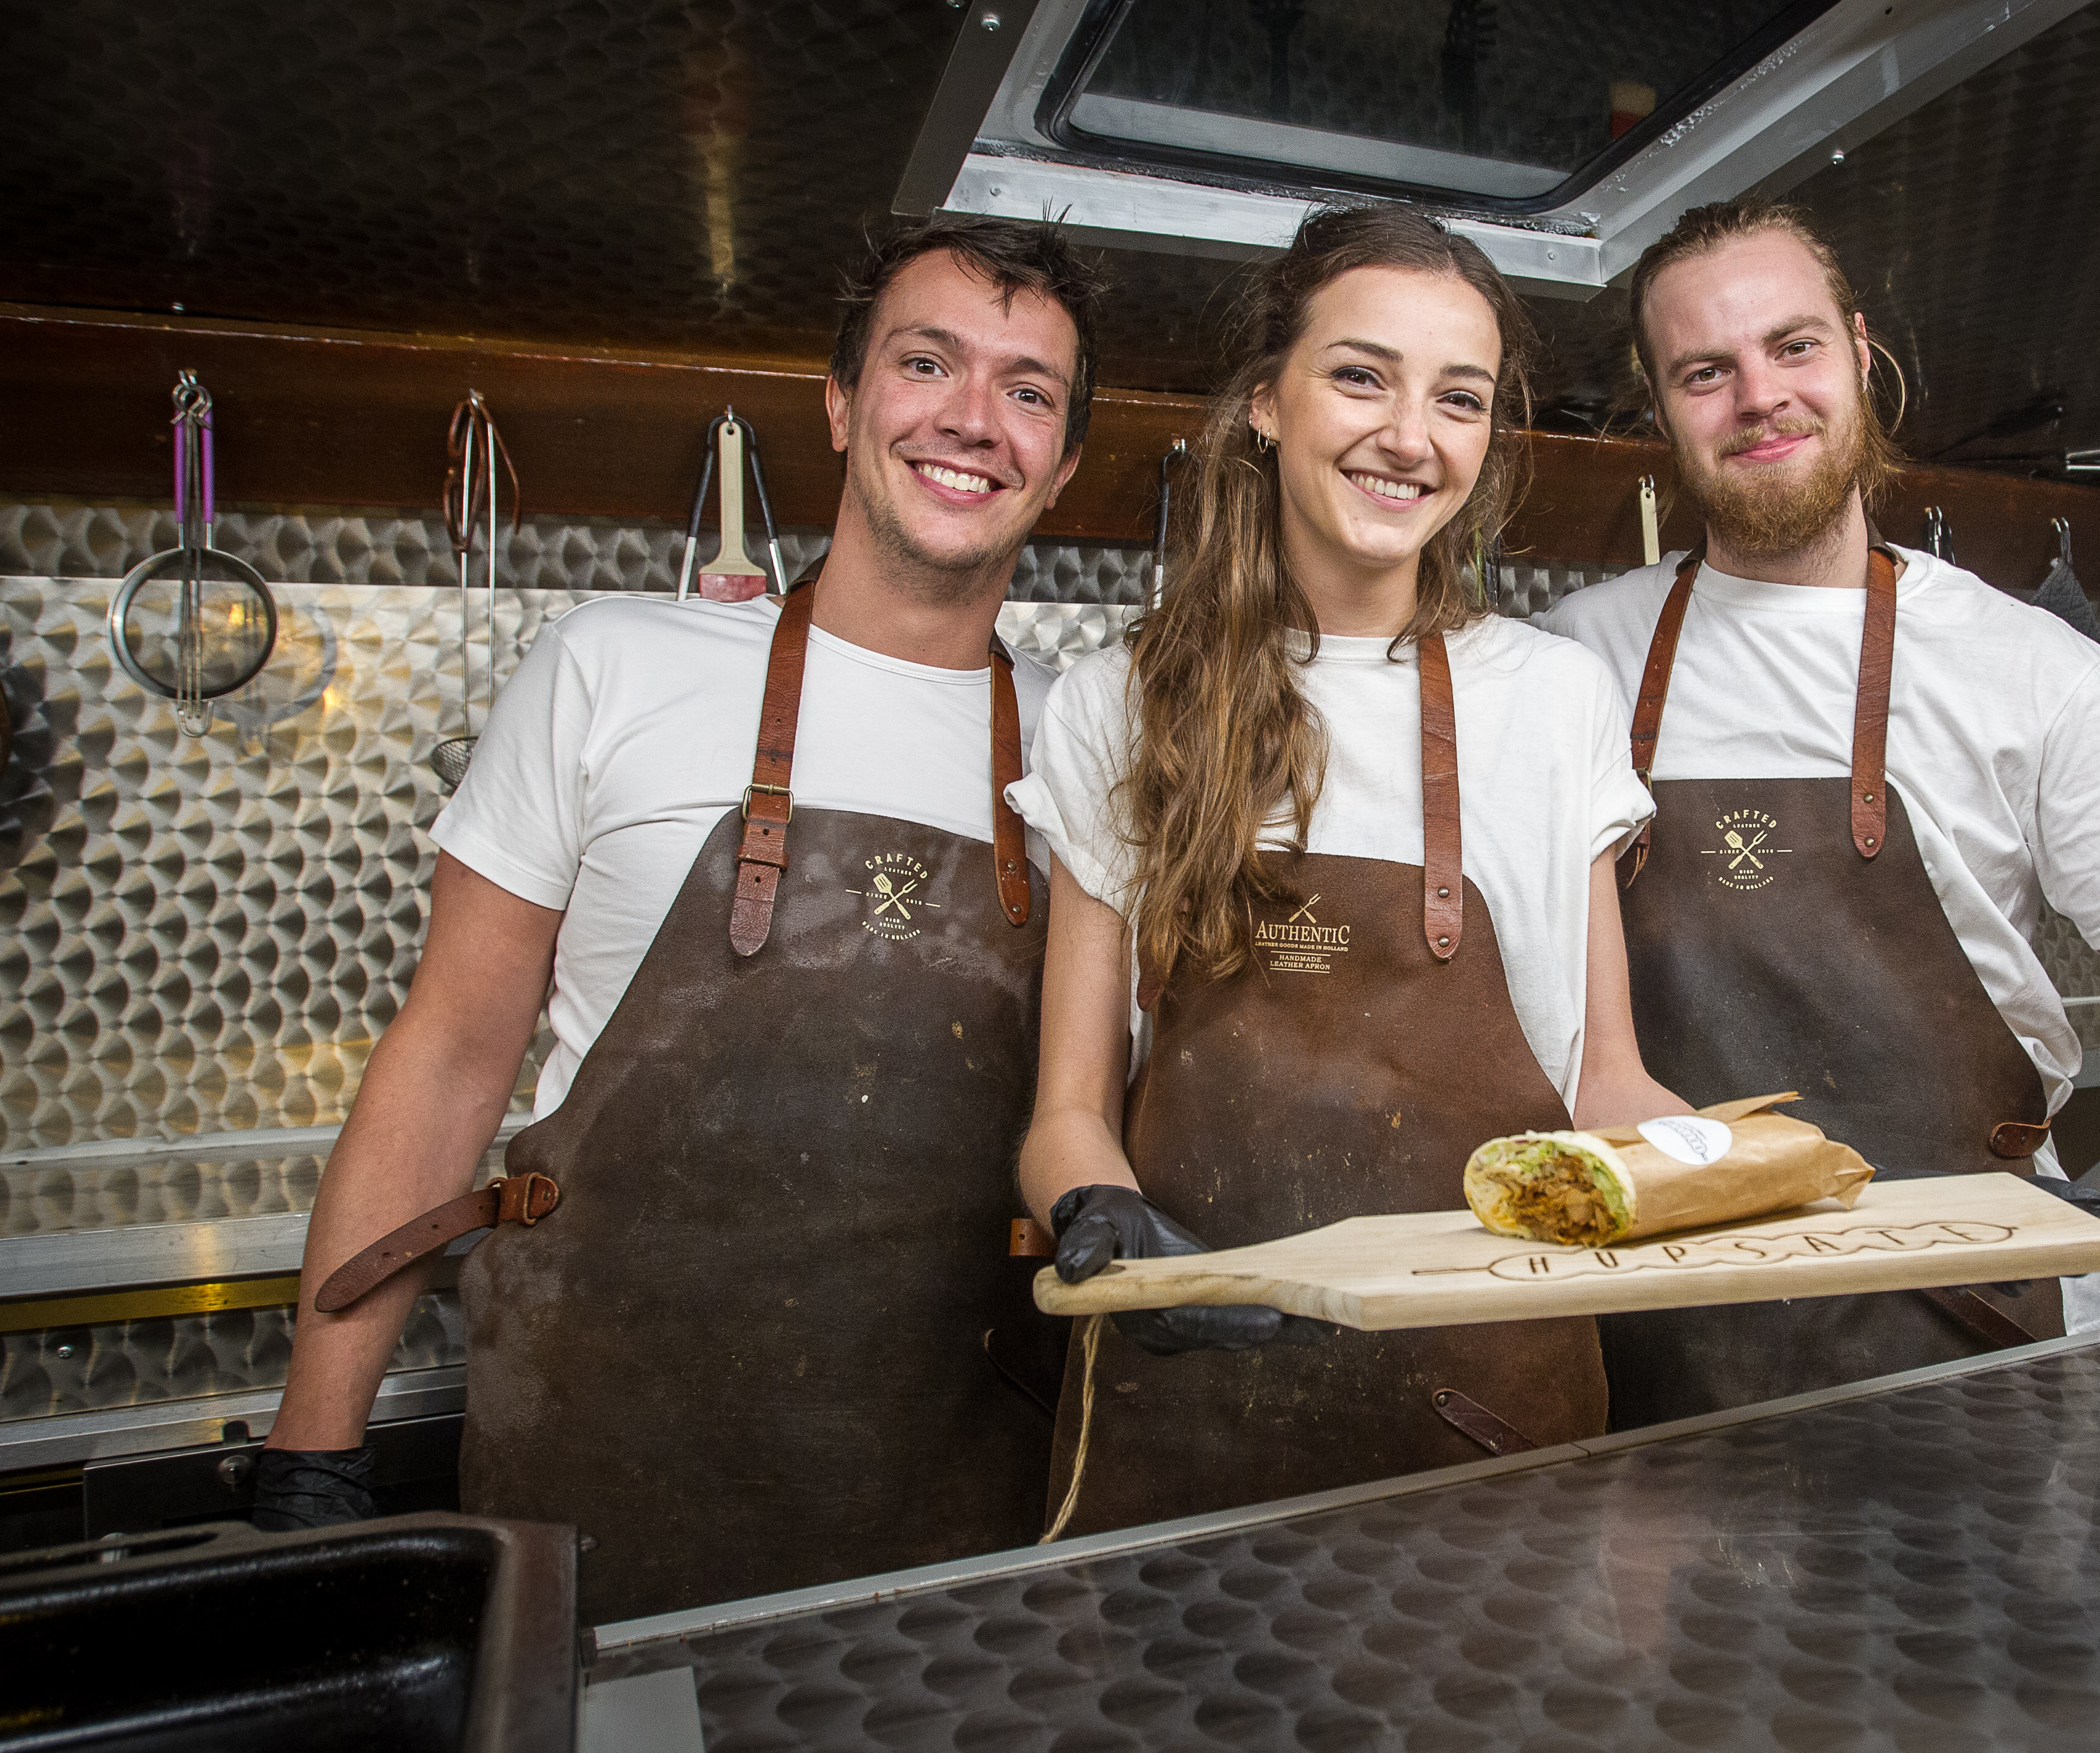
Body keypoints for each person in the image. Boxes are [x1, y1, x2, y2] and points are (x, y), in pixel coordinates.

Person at [254, 217, 1097, 1621]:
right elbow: (451, 1054)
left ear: (1062, 465)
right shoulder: (613, 666)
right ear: (841, 404)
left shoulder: (1095, 748)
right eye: (925, 363)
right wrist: (313, 1448)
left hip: (962, 1497)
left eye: (1028, 391)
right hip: (600, 1458)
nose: (972, 419)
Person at [1538, 198, 2100, 1422]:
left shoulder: (2030, 667)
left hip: (1984, 1332)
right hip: (1664, 1329)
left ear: (1858, 353)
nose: (1760, 397)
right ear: (1660, 409)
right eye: (1705, 372)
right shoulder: (1572, 659)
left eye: (1793, 347)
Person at [1011, 205, 1688, 1539]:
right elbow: (1065, 1115)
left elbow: (1606, 1085)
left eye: (1459, 398)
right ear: (1267, 401)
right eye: (1363, 377)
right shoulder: (1120, 702)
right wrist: (1099, 1212)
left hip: (1492, 1428)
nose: (1410, 436)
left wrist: (1815, 1190)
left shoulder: (1556, 698)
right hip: (1186, 1425)